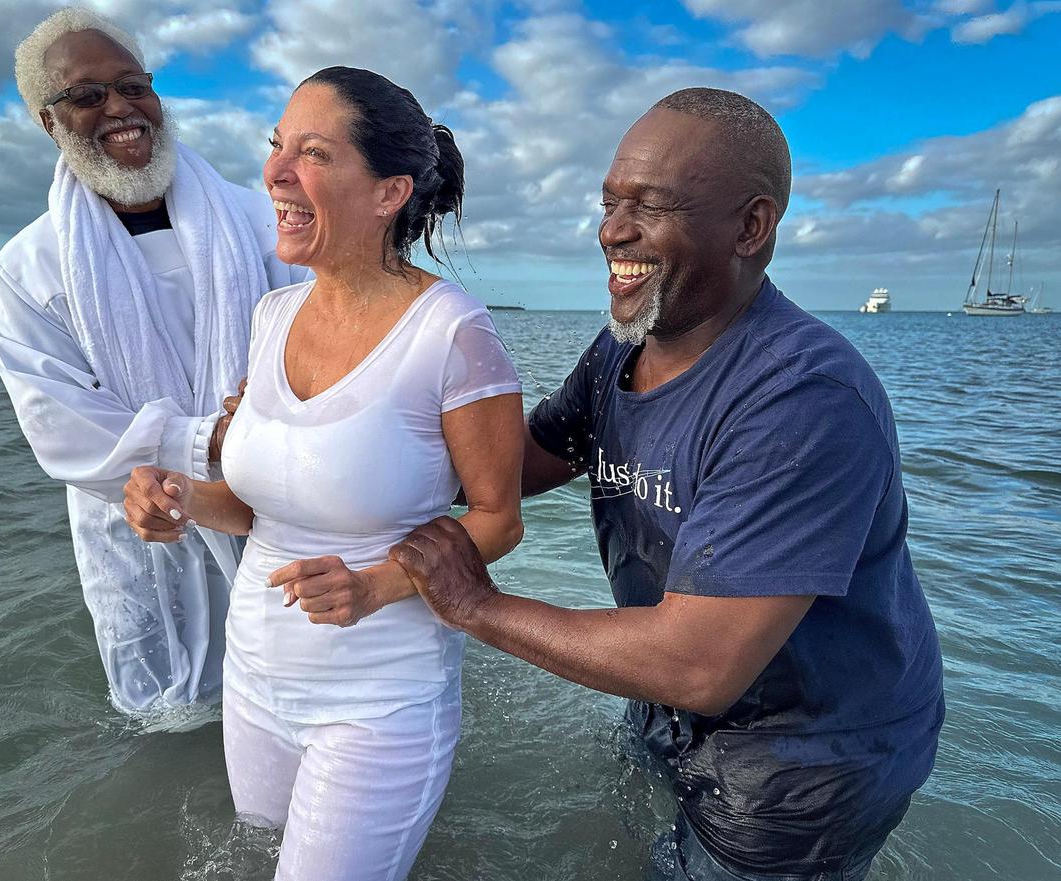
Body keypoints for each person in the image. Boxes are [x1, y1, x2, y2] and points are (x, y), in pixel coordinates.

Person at [390, 88, 945, 881]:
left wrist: (476, 605)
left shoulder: (803, 398)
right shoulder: (624, 349)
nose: (612, 230)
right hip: (668, 701)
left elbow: (700, 664)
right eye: (610, 203)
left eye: (650, 206)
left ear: (751, 227)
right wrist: (337, 436)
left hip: (804, 765)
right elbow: (516, 463)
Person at [122, 67, 524, 881]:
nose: (274, 173)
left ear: (389, 193)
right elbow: (257, 506)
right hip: (254, 677)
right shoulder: (271, 318)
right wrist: (179, 497)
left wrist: (375, 586)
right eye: (277, 147)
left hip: (381, 698)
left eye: (313, 153)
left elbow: (497, 518)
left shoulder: (451, 331)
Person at [0, 7, 310, 719]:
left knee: (299, 699)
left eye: (134, 86)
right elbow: (60, 426)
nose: (120, 108)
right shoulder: (30, 266)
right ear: (48, 122)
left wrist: (269, 414)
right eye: (87, 94)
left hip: (272, 507)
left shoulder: (261, 222)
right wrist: (208, 440)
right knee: (174, 726)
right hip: (139, 530)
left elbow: (321, 342)